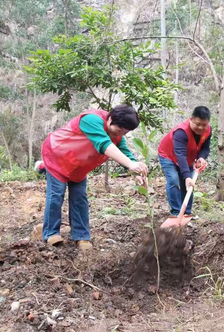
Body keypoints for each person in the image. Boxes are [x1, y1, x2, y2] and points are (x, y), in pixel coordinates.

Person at [41, 104, 148, 250]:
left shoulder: (117, 136)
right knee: (56, 195)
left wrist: (137, 172)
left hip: (78, 166)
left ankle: (81, 236)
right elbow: (104, 144)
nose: (119, 135)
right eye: (119, 130)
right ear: (110, 120)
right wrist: (130, 164)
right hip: (58, 156)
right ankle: (51, 234)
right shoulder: (91, 120)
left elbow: (124, 152)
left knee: (80, 198)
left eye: (124, 133)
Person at [158, 106, 212, 218]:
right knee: (174, 179)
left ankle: (186, 213)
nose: (200, 127)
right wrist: (187, 176)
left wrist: (202, 157)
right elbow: (180, 155)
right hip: (168, 155)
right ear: (191, 119)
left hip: (187, 157)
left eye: (204, 125)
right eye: (197, 124)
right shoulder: (181, 132)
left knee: (188, 184)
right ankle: (176, 212)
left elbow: (205, 148)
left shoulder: (208, 131)